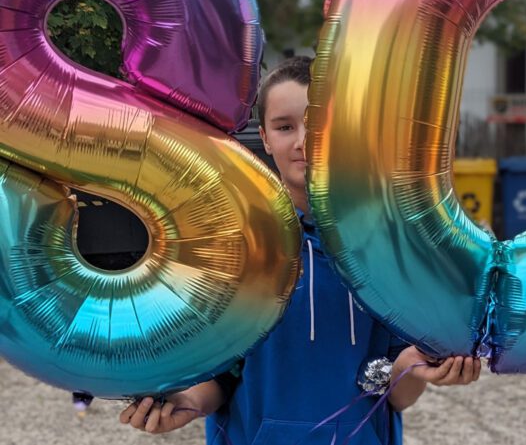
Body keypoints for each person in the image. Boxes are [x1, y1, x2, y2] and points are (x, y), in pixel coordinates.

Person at [119, 56, 482, 444]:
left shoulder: (387, 248)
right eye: (285, 127)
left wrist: (417, 368)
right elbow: (222, 376)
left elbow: (396, 394)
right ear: (265, 137)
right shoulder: (234, 247)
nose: (304, 142)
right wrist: (185, 402)